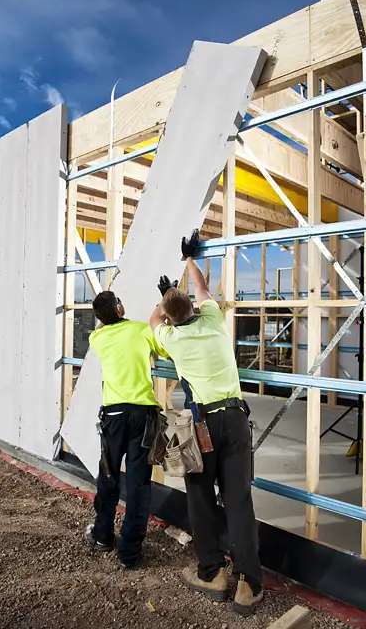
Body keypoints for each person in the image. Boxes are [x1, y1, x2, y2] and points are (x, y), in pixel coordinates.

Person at [149, 230, 262, 617]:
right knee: (239, 500)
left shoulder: (171, 338)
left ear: (171, 318)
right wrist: (190, 259)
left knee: (199, 496)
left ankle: (212, 574)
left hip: (202, 426)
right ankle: (249, 585)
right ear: (195, 309)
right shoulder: (214, 321)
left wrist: (164, 299)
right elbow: (201, 289)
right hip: (234, 418)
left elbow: (153, 319)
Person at [85, 290, 165, 569]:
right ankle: (129, 554)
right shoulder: (142, 330)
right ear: (120, 308)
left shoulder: (98, 337)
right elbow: (165, 348)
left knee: (108, 476)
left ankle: (102, 536)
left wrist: (110, 315)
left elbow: (102, 324)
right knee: (138, 484)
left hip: (113, 416)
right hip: (142, 416)